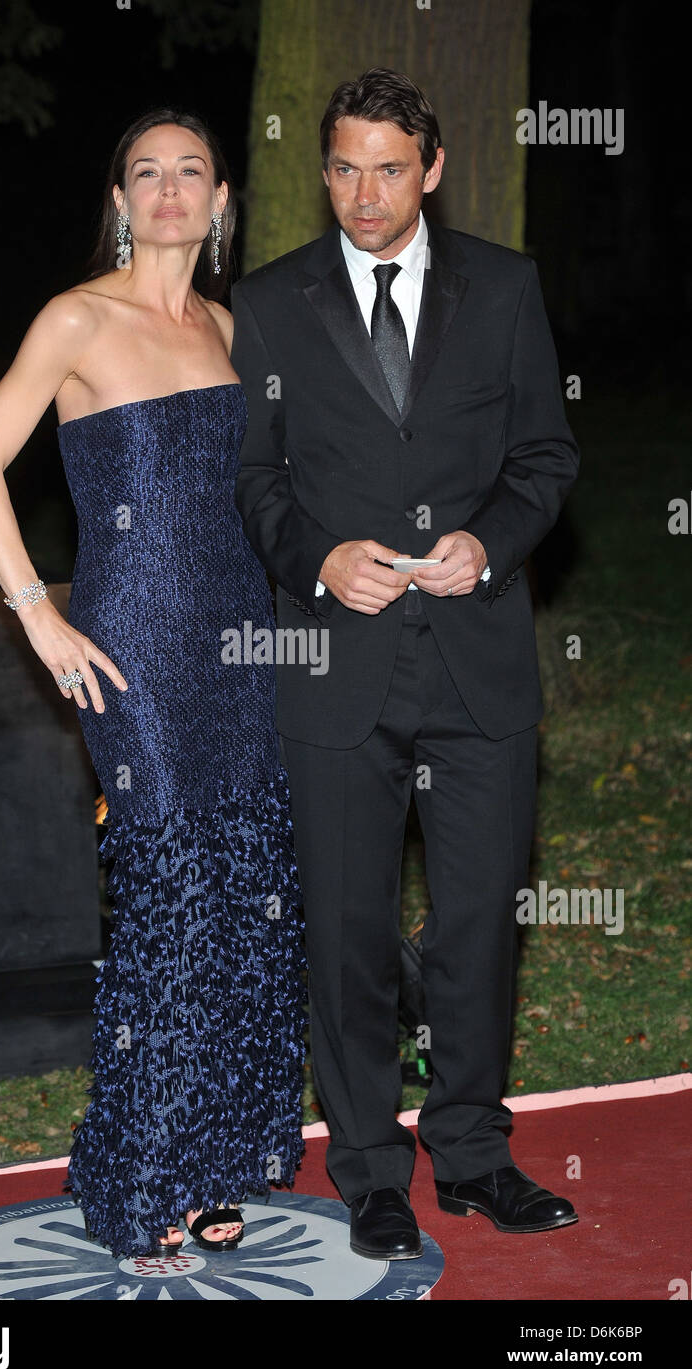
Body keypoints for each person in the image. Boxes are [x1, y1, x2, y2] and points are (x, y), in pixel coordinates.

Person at [230, 67, 580, 1260]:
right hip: (337, 665)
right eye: (342, 167)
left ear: (430, 168)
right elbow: (255, 479)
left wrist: (493, 541)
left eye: (388, 167)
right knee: (348, 928)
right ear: (321, 168)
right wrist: (319, 559)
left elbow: (547, 454)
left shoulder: (507, 287)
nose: (363, 194)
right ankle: (371, 1165)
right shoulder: (272, 302)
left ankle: (475, 1154)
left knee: (480, 921)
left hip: (478, 662)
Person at [0, 109, 306, 1259]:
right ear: (119, 198)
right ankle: (135, 1180)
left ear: (219, 203)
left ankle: (214, 1161)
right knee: (168, 904)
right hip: (134, 651)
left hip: (243, 645)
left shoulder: (231, 327)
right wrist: (36, 613)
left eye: (190, 172)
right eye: (145, 171)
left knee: (246, 900)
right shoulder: (76, 317)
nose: (167, 190)